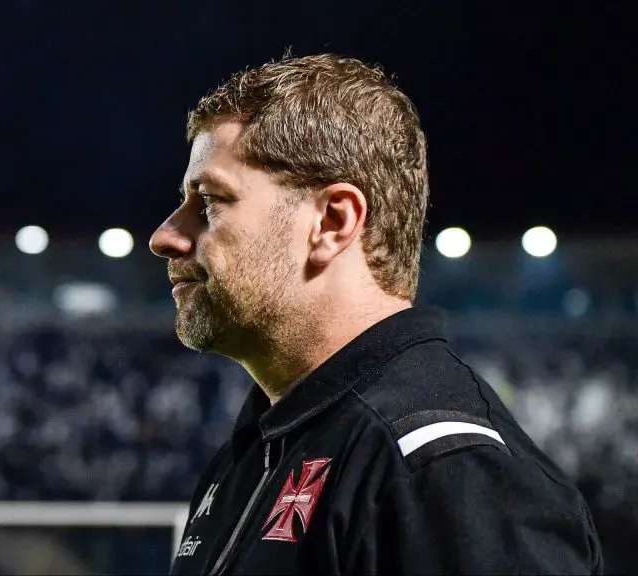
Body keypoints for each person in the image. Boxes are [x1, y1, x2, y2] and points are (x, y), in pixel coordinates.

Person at [149, 53, 603, 575]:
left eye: (208, 202)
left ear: (333, 222)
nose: (165, 236)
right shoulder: (259, 449)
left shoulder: (446, 471)